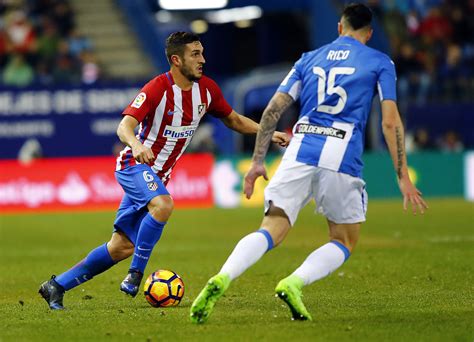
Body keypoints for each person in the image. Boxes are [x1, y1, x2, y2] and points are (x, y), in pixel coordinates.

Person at [190, 3, 428, 324]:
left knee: (271, 229)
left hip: (300, 146)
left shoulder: (308, 59)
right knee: (343, 239)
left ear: (339, 28)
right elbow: (389, 121)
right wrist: (402, 176)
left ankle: (222, 276)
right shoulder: (380, 62)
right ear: (369, 34)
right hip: (340, 152)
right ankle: (295, 281)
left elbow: (273, 111)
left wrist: (258, 162)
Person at [38, 31, 290, 310]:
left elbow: (233, 119)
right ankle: (135, 275)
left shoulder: (207, 90)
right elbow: (124, 126)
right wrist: (135, 145)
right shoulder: (157, 88)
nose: (202, 59)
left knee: (120, 246)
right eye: (195, 54)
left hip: (157, 176)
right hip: (135, 166)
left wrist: (269, 132)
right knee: (164, 204)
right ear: (176, 60)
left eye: (202, 53)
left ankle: (56, 285)